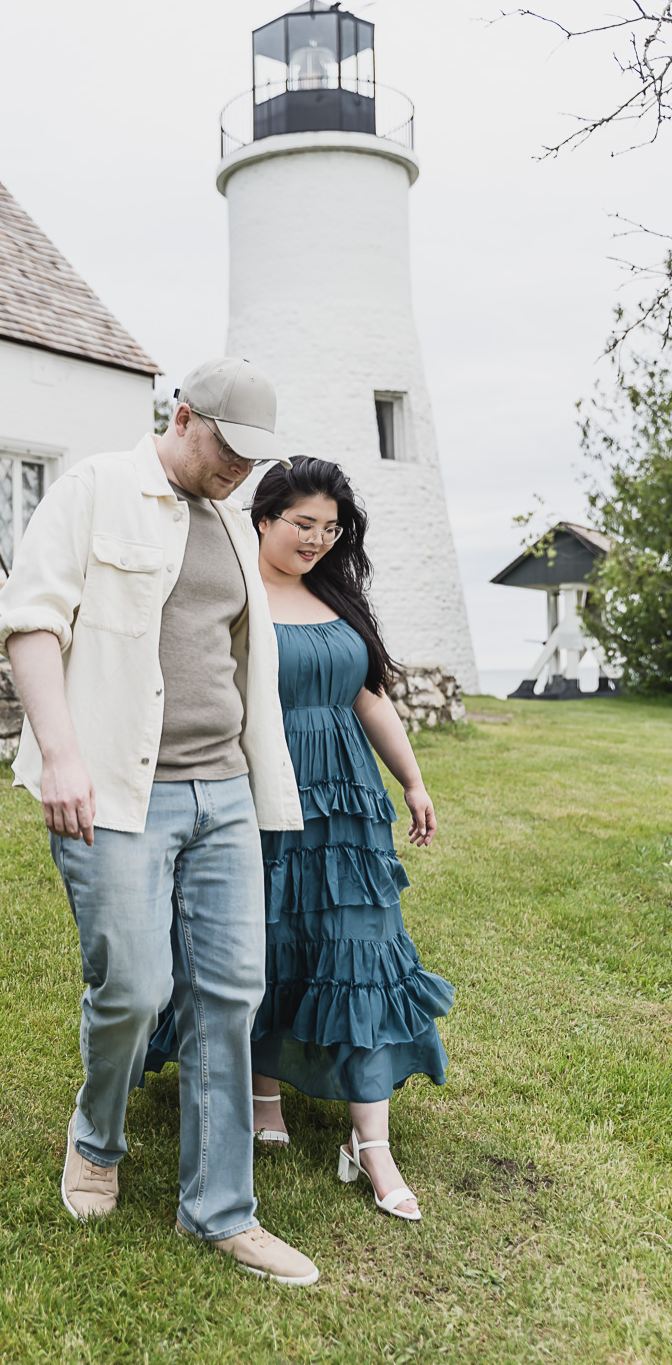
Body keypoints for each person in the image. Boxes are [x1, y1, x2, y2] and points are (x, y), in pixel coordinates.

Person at [0, 358, 319, 1286]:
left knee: (229, 996)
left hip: (223, 793)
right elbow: (32, 623)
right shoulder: (96, 488)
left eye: (254, 462)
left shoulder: (226, 520)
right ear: (182, 416)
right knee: (134, 989)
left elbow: (236, 657)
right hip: (117, 793)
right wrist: (61, 756)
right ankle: (97, 1135)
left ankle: (220, 1211)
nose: (239, 474)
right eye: (228, 451)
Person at [248, 456, 455, 1221]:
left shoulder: (334, 594)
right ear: (265, 515)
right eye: (304, 523)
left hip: (347, 801)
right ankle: (261, 1086)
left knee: (360, 948)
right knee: (269, 939)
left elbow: (370, 699)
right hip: (263, 791)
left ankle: (371, 1144)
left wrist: (413, 780)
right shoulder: (233, 590)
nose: (318, 539)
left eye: (331, 528)